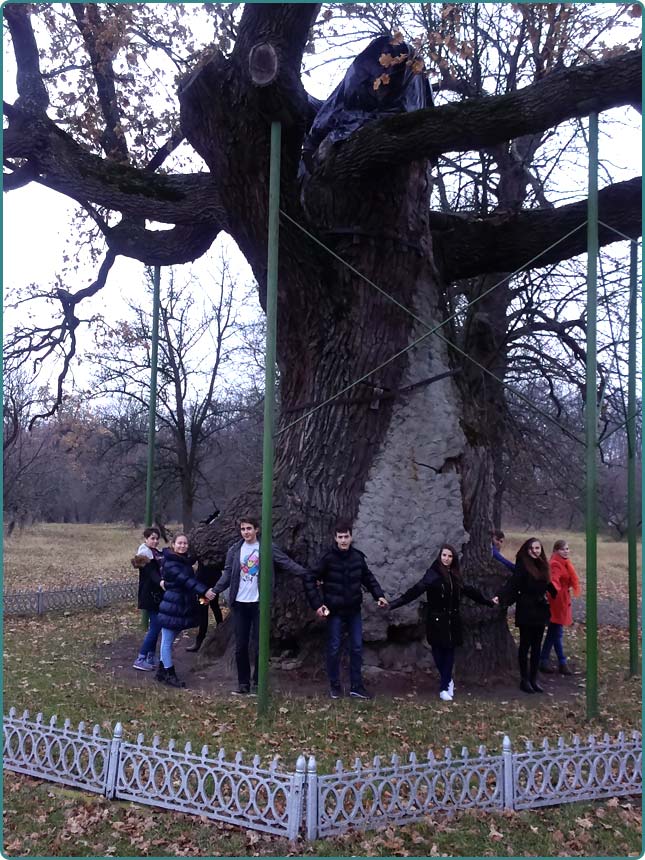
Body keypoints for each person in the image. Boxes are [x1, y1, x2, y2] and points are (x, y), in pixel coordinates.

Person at [389, 543, 496, 701]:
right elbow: (415, 591)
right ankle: (448, 680)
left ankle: (444, 686)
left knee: (449, 652)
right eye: (444, 555)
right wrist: (393, 604)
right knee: (438, 652)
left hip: (452, 620)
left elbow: (470, 591)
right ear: (440, 557)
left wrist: (488, 601)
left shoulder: (455, 576)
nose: (446, 559)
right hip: (436, 619)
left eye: (450, 556)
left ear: (453, 559)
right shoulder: (432, 575)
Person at [213, 517, 306, 695]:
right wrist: (214, 590)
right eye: (243, 529)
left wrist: (307, 575)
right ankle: (243, 684)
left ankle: (257, 683)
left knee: (259, 645)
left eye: (249, 528)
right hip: (240, 604)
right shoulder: (235, 550)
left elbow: (287, 563)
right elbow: (227, 574)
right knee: (240, 646)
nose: (246, 532)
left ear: (257, 530)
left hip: (259, 604)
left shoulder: (267, 548)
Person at [303, 521, 389, 701]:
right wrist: (318, 605)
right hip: (333, 611)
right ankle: (335, 685)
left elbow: (368, 578)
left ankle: (356, 686)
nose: (343, 540)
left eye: (346, 537)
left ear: (351, 537)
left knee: (357, 647)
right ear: (335, 538)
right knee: (334, 648)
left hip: (353, 610)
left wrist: (378, 595)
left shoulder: (357, 557)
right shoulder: (327, 558)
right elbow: (309, 578)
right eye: (340, 537)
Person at [494, 537, 557, 694]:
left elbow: (547, 584)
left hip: (540, 611)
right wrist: (500, 597)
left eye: (537, 548)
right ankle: (524, 680)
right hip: (527, 610)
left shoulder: (543, 566)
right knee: (525, 645)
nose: (535, 551)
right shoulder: (523, 566)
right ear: (526, 550)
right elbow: (513, 585)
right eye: (531, 549)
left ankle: (534, 679)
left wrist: (554, 592)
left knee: (537, 647)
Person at [156, 534, 216, 688]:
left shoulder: (183, 560)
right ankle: (169, 673)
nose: (182, 546)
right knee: (167, 641)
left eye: (185, 543)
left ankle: (161, 672)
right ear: (173, 545)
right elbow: (186, 580)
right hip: (172, 606)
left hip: (179, 605)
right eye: (179, 543)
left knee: (170, 638)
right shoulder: (171, 563)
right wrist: (204, 591)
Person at [539, 539, 581, 675]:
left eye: (567, 549)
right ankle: (545, 660)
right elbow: (554, 581)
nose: (566, 551)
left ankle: (559, 662)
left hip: (562, 599)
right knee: (555, 631)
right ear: (555, 551)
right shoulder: (555, 564)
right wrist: (555, 590)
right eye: (563, 549)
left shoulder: (565, 563)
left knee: (556, 631)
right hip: (557, 600)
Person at [131, 527, 164, 671]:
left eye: (157, 539)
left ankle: (150, 656)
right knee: (155, 627)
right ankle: (141, 658)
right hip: (150, 596)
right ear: (146, 539)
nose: (155, 541)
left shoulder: (155, 553)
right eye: (152, 538)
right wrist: (162, 582)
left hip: (155, 595)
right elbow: (152, 574)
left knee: (155, 627)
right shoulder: (145, 556)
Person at [185, 558, 224, 653]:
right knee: (203, 610)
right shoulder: (201, 546)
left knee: (215, 607)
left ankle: (221, 634)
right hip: (202, 585)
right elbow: (191, 559)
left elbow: (223, 563)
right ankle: (200, 640)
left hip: (214, 584)